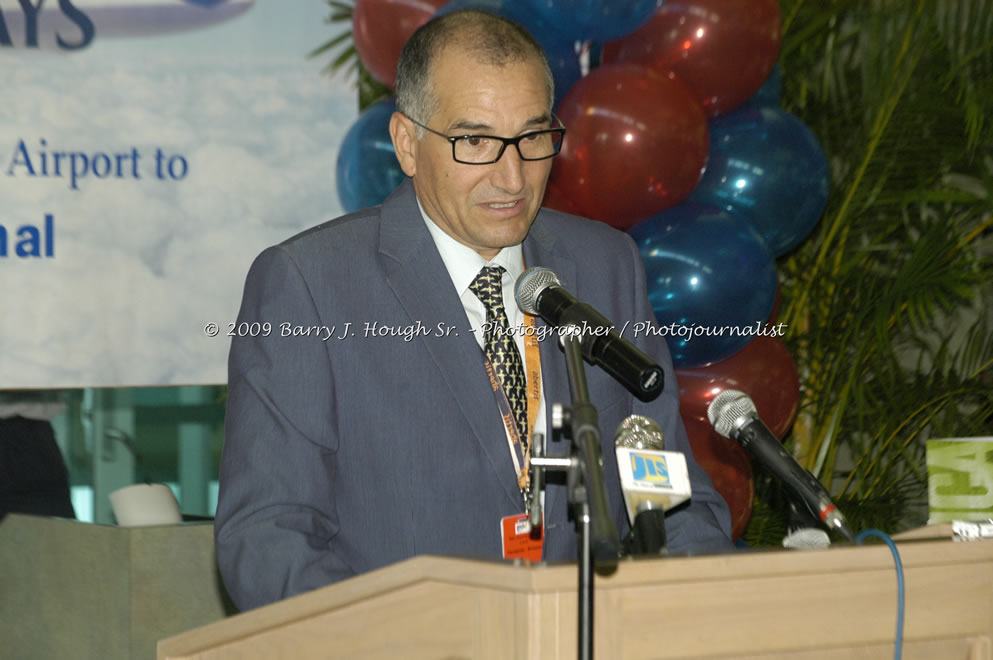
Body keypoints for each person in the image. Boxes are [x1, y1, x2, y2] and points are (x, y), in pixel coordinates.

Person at [215, 9, 732, 612]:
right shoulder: (310, 286)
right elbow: (267, 536)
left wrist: (711, 611)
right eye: (476, 142)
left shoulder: (605, 266)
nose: (512, 178)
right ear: (407, 144)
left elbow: (668, 497)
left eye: (533, 138)